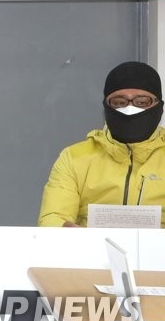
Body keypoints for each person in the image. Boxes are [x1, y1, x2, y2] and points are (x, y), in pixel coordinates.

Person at [38, 61, 165, 227]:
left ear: (159, 107)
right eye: (119, 102)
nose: (130, 109)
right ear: (106, 107)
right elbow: (53, 218)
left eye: (142, 102)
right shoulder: (74, 158)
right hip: (87, 244)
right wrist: (64, 231)